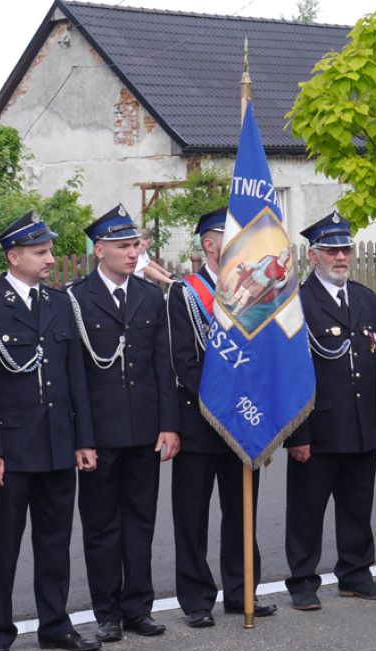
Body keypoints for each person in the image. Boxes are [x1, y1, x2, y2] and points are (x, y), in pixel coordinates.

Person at [0, 212, 101, 651]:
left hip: (60, 443)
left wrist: (84, 439)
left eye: (50, 250)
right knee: (5, 543)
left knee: (55, 540)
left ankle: (55, 625)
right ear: (12, 256)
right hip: (13, 449)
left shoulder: (61, 304)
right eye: (40, 252)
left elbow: (75, 377)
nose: (49, 259)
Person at [67, 204, 180, 643]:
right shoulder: (76, 298)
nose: (133, 254)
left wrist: (169, 425)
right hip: (100, 434)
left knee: (140, 522)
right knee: (101, 526)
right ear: (100, 250)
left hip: (144, 430)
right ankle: (107, 612)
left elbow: (162, 366)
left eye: (136, 245)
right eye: (123, 246)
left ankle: (138, 608)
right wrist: (83, 437)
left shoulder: (151, 296)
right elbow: (76, 376)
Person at [166, 207, 276, 627]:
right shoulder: (185, 293)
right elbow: (182, 361)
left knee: (242, 511)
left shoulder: (256, 291)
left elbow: (264, 356)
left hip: (245, 422)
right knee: (192, 517)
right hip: (200, 423)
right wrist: (226, 400)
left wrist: (250, 404)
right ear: (209, 245)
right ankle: (196, 600)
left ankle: (242, 590)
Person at [284, 211, 376, 610]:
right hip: (318, 428)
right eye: (332, 250)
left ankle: (355, 574)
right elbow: (290, 373)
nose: (341, 257)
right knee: (307, 510)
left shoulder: (365, 298)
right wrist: (297, 434)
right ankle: (302, 581)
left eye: (345, 249)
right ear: (313, 256)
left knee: (357, 506)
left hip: (363, 423)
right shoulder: (298, 301)